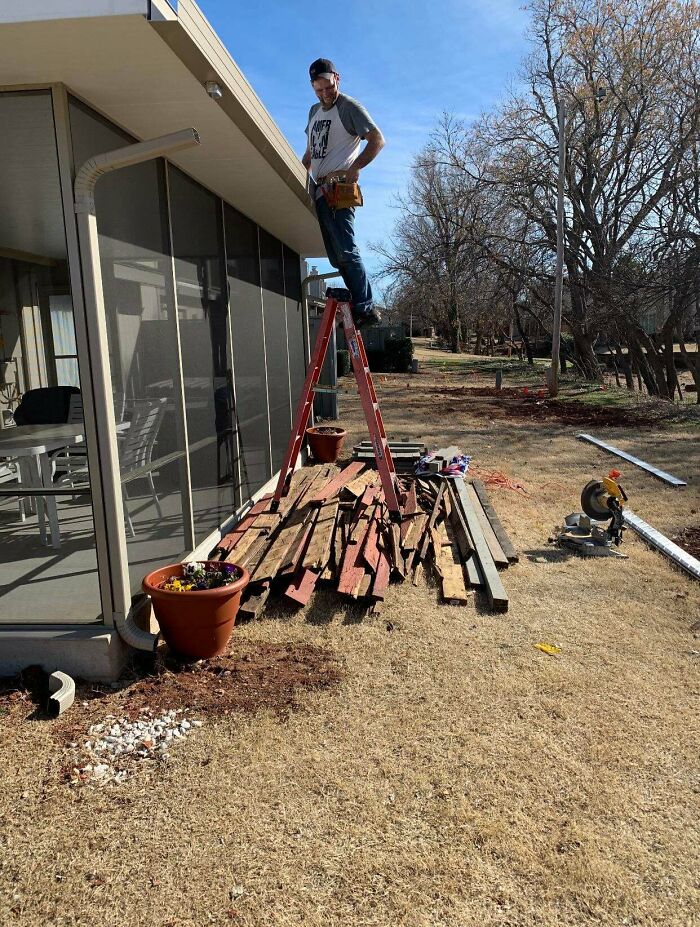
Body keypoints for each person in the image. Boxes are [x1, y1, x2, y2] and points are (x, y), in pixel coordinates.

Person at [302, 57, 384, 327]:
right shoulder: (314, 111)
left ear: (337, 78)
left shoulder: (349, 107)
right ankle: (358, 303)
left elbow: (377, 139)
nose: (325, 93)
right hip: (320, 189)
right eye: (319, 89)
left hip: (339, 187)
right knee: (336, 255)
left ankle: (366, 306)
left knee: (347, 250)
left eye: (328, 86)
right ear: (312, 87)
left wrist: (357, 167)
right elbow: (310, 151)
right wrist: (302, 167)